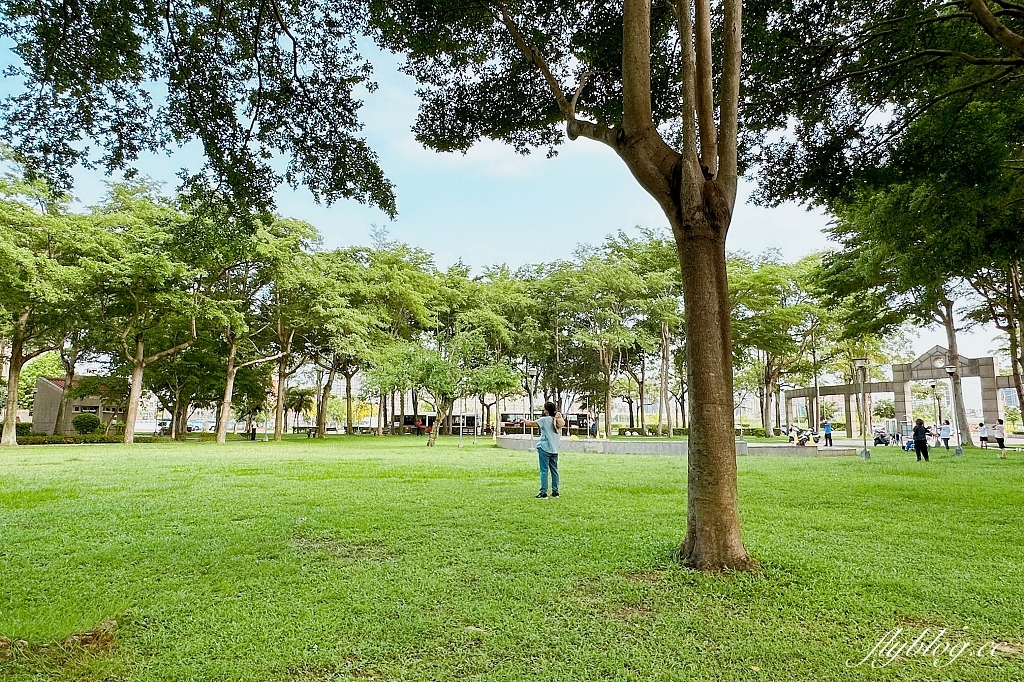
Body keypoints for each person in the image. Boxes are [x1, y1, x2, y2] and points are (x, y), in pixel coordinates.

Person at [523, 401, 564, 498]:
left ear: (546, 410)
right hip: (555, 449)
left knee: (544, 471)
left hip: (545, 448)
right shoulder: (557, 420)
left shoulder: (544, 420)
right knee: (554, 471)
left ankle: (543, 492)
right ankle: (555, 492)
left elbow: (530, 424)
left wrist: (523, 419)